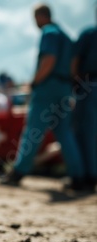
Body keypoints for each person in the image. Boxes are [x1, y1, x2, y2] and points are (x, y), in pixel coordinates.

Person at [0, 4, 85, 189]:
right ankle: (78, 175)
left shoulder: (49, 33)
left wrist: (34, 81)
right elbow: (72, 67)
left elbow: (49, 60)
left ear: (40, 16)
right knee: (64, 133)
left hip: (47, 87)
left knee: (33, 131)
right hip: (64, 87)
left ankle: (19, 171)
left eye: (35, 18)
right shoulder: (66, 36)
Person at [71, 6, 97, 192]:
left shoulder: (89, 33)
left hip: (89, 86)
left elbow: (74, 62)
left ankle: (86, 176)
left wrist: (74, 82)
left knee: (84, 131)